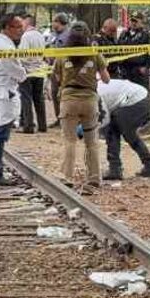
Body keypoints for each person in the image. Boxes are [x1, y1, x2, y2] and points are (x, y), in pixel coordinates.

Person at [54, 23, 111, 194]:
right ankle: (94, 178)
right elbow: (106, 79)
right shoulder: (94, 53)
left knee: (70, 140)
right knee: (91, 141)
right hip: (89, 100)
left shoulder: (62, 54)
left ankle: (67, 177)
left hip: (68, 100)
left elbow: (57, 77)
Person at [0, 14, 27, 186]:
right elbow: (13, 68)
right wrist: (23, 74)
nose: (21, 31)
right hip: (2, 92)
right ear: (7, 27)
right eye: (18, 27)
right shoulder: (3, 45)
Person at [97, 78, 150, 180]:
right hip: (135, 99)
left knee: (117, 131)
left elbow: (105, 119)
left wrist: (93, 129)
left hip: (138, 100)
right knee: (117, 130)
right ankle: (116, 168)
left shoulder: (97, 94)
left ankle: (149, 165)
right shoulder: (93, 90)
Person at [18, 14, 48, 133]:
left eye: (22, 23)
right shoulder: (40, 35)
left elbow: (23, 55)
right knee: (39, 99)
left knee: (26, 99)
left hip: (28, 72)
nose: (21, 25)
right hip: (39, 71)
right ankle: (42, 125)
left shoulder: (26, 36)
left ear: (28, 22)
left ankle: (28, 125)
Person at [115, 12, 150, 90]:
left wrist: (146, 67)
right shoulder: (124, 34)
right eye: (132, 21)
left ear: (141, 22)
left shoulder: (146, 35)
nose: (133, 23)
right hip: (125, 70)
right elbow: (118, 49)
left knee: (141, 94)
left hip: (139, 71)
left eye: (136, 21)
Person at [46, 12, 71, 127]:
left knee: (64, 95)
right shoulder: (53, 35)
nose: (52, 24)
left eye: (54, 21)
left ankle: (66, 119)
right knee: (55, 94)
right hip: (53, 69)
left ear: (60, 22)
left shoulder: (69, 36)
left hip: (65, 70)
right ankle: (58, 119)